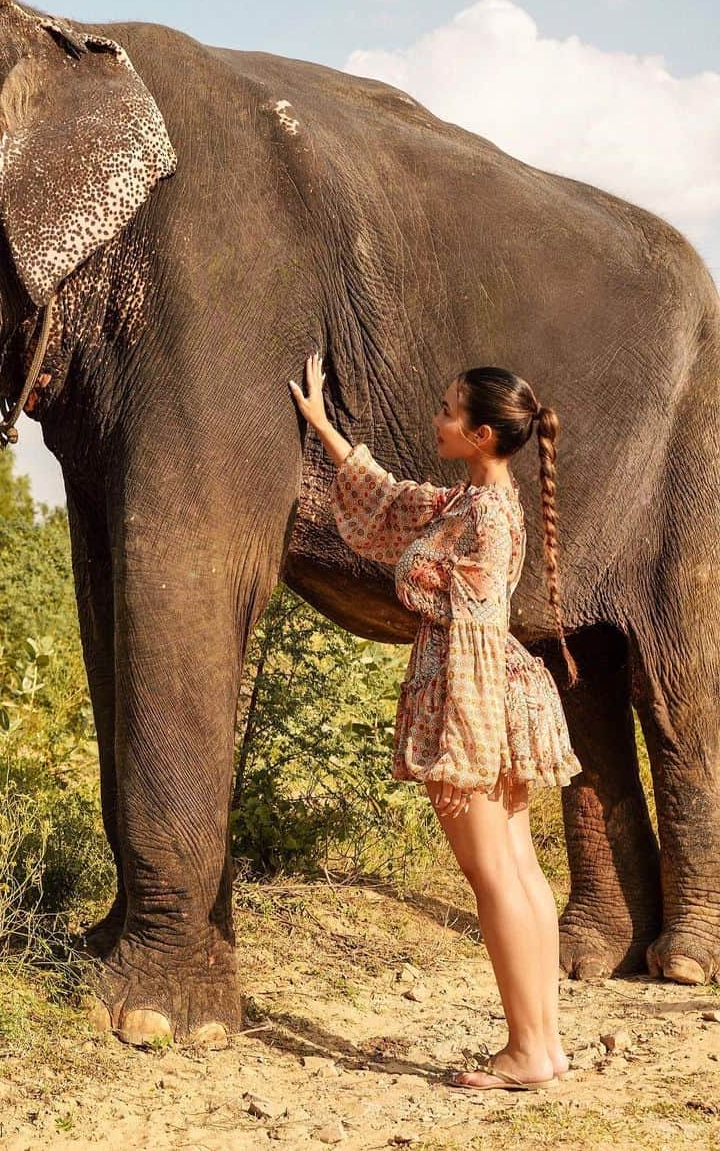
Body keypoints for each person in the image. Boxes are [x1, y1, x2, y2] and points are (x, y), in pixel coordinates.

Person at [289, 354, 583, 1092]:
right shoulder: (474, 500)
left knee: (493, 874)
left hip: (471, 690)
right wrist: (324, 425)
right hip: (489, 684)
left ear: (482, 434)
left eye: (449, 410)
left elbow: (467, 619)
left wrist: (461, 738)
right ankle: (543, 1045)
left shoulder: (481, 512)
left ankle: (526, 1049)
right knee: (517, 867)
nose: (437, 418)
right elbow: (387, 500)